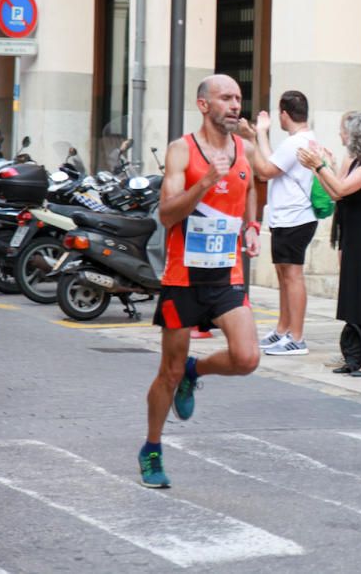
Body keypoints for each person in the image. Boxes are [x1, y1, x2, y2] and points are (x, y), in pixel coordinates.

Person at [138, 74, 262, 489]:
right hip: (183, 278)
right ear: (204, 105)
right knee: (167, 372)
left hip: (227, 274)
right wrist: (206, 180)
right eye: (225, 98)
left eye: (238, 98)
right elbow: (167, 214)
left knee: (247, 358)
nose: (234, 105)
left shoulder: (242, 148)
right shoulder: (181, 150)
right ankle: (152, 447)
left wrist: (251, 225)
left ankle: (197, 370)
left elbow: (249, 186)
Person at [296, 111, 361, 376]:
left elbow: (340, 189)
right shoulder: (357, 162)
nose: (340, 134)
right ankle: (359, 354)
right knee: (356, 294)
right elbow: (335, 194)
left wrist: (319, 166)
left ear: (356, 135)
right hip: (357, 235)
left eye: (343, 130)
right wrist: (321, 166)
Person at [238, 90, 318, 355]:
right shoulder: (300, 141)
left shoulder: (296, 142)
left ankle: (297, 336)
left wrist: (255, 135)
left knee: (292, 275)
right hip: (290, 216)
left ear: (284, 114)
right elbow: (273, 162)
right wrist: (259, 136)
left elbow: (265, 170)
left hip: (295, 216)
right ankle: (283, 330)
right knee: (285, 274)